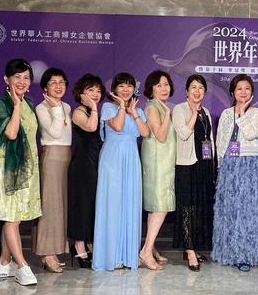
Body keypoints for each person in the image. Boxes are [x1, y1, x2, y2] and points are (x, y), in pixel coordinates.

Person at [0, 58, 42, 286]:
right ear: (6, 79)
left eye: (26, 77)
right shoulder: (4, 104)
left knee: (15, 218)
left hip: (26, 166)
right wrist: (16, 106)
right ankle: (22, 266)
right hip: (8, 167)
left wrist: (21, 103)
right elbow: (10, 134)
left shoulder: (29, 102)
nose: (21, 81)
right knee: (10, 217)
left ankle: (4, 263)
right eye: (17, 77)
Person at [93, 72, 151, 271]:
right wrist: (121, 107)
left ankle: (127, 256)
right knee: (112, 204)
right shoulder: (108, 107)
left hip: (131, 159)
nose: (125, 90)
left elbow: (145, 133)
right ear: (114, 90)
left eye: (129, 86)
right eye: (121, 86)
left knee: (129, 203)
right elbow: (118, 126)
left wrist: (133, 112)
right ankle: (110, 257)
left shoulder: (138, 110)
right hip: (112, 158)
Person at [212, 74, 258, 272]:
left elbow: (251, 134)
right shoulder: (226, 114)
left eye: (247, 89)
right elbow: (221, 141)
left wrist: (242, 113)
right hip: (230, 165)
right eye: (239, 89)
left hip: (250, 164)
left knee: (248, 212)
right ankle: (228, 253)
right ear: (232, 92)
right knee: (229, 211)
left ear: (252, 92)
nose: (243, 92)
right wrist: (220, 166)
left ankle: (246, 255)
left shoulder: (257, 113)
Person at [172, 75, 216, 272]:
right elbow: (183, 133)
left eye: (201, 88)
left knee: (199, 207)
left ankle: (194, 247)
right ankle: (189, 250)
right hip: (186, 164)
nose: (197, 91)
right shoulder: (179, 109)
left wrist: (213, 164)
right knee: (187, 207)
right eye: (193, 87)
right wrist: (193, 113)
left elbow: (210, 140)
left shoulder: (206, 112)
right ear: (186, 91)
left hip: (203, 165)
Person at [33, 68, 72, 273]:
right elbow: (55, 133)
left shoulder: (66, 106)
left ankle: (55, 250)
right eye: (53, 83)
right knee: (49, 206)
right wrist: (56, 108)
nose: (58, 86)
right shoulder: (42, 108)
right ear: (45, 87)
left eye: (62, 82)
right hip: (52, 158)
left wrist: (59, 108)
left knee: (60, 207)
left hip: (66, 157)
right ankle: (46, 253)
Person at [140, 70, 176, 270]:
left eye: (166, 84)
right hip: (157, 163)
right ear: (151, 89)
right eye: (159, 85)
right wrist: (168, 114)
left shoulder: (161, 106)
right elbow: (160, 136)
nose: (164, 88)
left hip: (164, 161)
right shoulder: (154, 107)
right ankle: (146, 252)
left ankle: (150, 247)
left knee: (156, 207)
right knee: (160, 206)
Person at [67, 74, 104, 269]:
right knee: (82, 205)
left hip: (96, 163)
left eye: (98, 90)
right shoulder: (79, 112)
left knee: (92, 205)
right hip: (82, 165)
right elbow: (91, 127)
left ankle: (90, 243)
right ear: (81, 93)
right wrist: (94, 108)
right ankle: (78, 245)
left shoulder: (94, 111)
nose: (96, 94)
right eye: (91, 90)